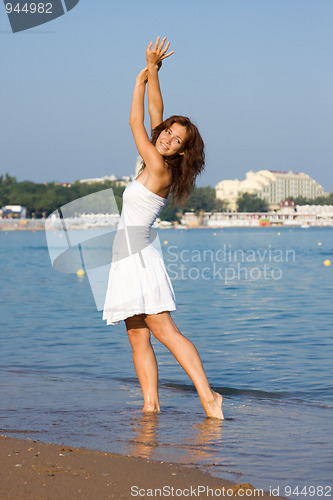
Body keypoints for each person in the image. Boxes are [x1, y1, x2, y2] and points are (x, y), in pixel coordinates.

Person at [103, 37, 223, 420]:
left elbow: (134, 120)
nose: (167, 137)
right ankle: (150, 406)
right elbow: (157, 112)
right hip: (126, 254)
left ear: (182, 152)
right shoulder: (158, 154)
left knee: (164, 331)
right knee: (136, 334)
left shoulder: (157, 166)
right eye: (168, 132)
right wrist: (155, 70)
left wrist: (138, 80)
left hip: (138, 256)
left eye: (176, 139)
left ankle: (209, 397)